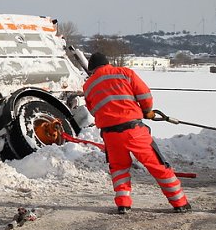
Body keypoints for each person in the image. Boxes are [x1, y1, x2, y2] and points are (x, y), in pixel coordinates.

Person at [82, 52, 191, 214]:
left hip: (110, 135)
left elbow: (93, 110)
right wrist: (147, 111)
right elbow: (144, 94)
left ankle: (123, 204)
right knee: (157, 165)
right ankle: (180, 202)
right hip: (134, 131)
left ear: (92, 69)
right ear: (108, 63)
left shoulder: (88, 85)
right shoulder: (125, 73)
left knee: (118, 168)